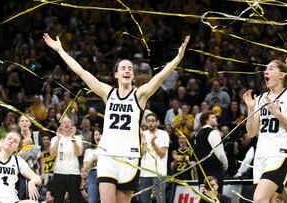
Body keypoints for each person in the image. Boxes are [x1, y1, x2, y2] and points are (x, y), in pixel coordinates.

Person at [44, 33, 189, 203]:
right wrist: (60, 50)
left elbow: (161, 76)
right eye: (123, 68)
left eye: (130, 69)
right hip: (108, 156)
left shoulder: (140, 95)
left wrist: (178, 57)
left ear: (133, 75)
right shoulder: (108, 92)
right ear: (116, 75)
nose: (127, 70)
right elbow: (81, 72)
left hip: (130, 157)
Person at [243, 60, 287, 203]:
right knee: (270, 200)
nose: (266, 72)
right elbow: (251, 133)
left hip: (279, 154)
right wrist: (251, 109)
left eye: (271, 69)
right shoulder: (259, 99)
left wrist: (278, 114)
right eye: (265, 69)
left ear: (282, 75)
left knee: (259, 199)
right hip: (261, 156)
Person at [50, 115, 83, 203]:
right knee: (58, 199)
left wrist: (72, 138)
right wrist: (58, 138)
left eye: (68, 122)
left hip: (74, 173)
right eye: (64, 122)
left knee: (75, 199)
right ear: (60, 125)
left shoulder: (78, 138)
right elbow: (52, 154)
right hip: (59, 172)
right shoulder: (54, 139)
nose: (66, 123)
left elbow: (79, 153)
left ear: (72, 125)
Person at [194, 111, 228, 193]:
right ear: (206, 121)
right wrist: (225, 165)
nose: (216, 119)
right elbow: (220, 154)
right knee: (215, 196)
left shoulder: (197, 134)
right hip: (214, 170)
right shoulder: (213, 132)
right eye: (212, 117)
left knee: (205, 196)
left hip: (202, 171)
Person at [139, 113, 169, 203]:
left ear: (157, 122)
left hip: (159, 172)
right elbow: (140, 154)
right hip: (144, 173)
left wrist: (153, 143)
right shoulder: (143, 134)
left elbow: (162, 154)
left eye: (152, 121)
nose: (150, 123)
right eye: (148, 121)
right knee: (144, 200)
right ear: (146, 123)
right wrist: (143, 143)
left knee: (160, 200)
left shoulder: (164, 134)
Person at [82, 128, 102, 203]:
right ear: (93, 137)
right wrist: (92, 160)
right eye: (96, 134)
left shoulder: (108, 150)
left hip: (105, 174)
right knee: (92, 201)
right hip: (92, 175)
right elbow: (84, 169)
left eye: (100, 134)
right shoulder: (89, 151)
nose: (98, 136)